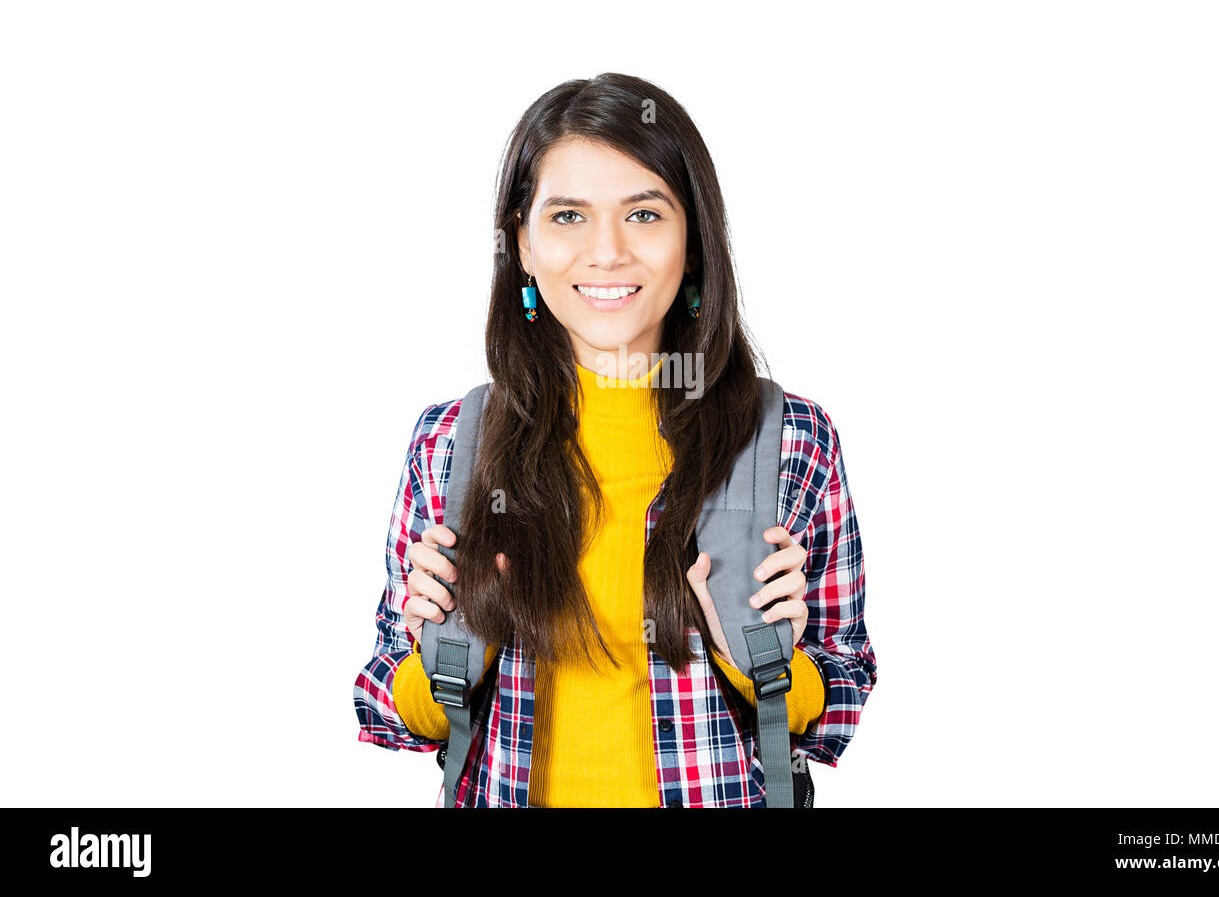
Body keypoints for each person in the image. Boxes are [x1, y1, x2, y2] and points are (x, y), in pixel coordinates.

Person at [353, 72, 879, 807]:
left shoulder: (788, 439)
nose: (606, 253)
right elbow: (389, 711)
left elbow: (840, 701)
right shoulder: (451, 444)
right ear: (524, 248)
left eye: (643, 215)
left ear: (692, 242)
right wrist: (448, 650)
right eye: (567, 216)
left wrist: (759, 656)